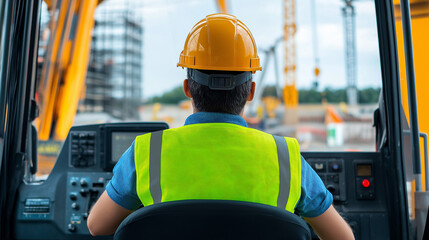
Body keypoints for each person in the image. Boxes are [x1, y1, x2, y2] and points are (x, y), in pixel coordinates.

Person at [88, 13, 354, 240]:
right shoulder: (286, 156)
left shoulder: (147, 152)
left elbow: (97, 225)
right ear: (250, 91)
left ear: (187, 89)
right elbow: (342, 237)